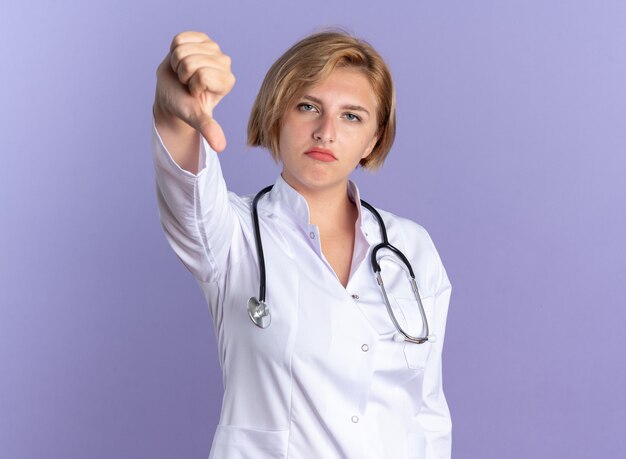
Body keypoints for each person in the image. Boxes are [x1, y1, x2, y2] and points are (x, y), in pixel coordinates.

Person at [152, 30, 452, 459]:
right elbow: (188, 194)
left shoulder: (412, 248)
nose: (325, 132)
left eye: (352, 116)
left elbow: (428, 414)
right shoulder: (234, 235)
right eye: (308, 107)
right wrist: (174, 115)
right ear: (276, 115)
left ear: (373, 139)